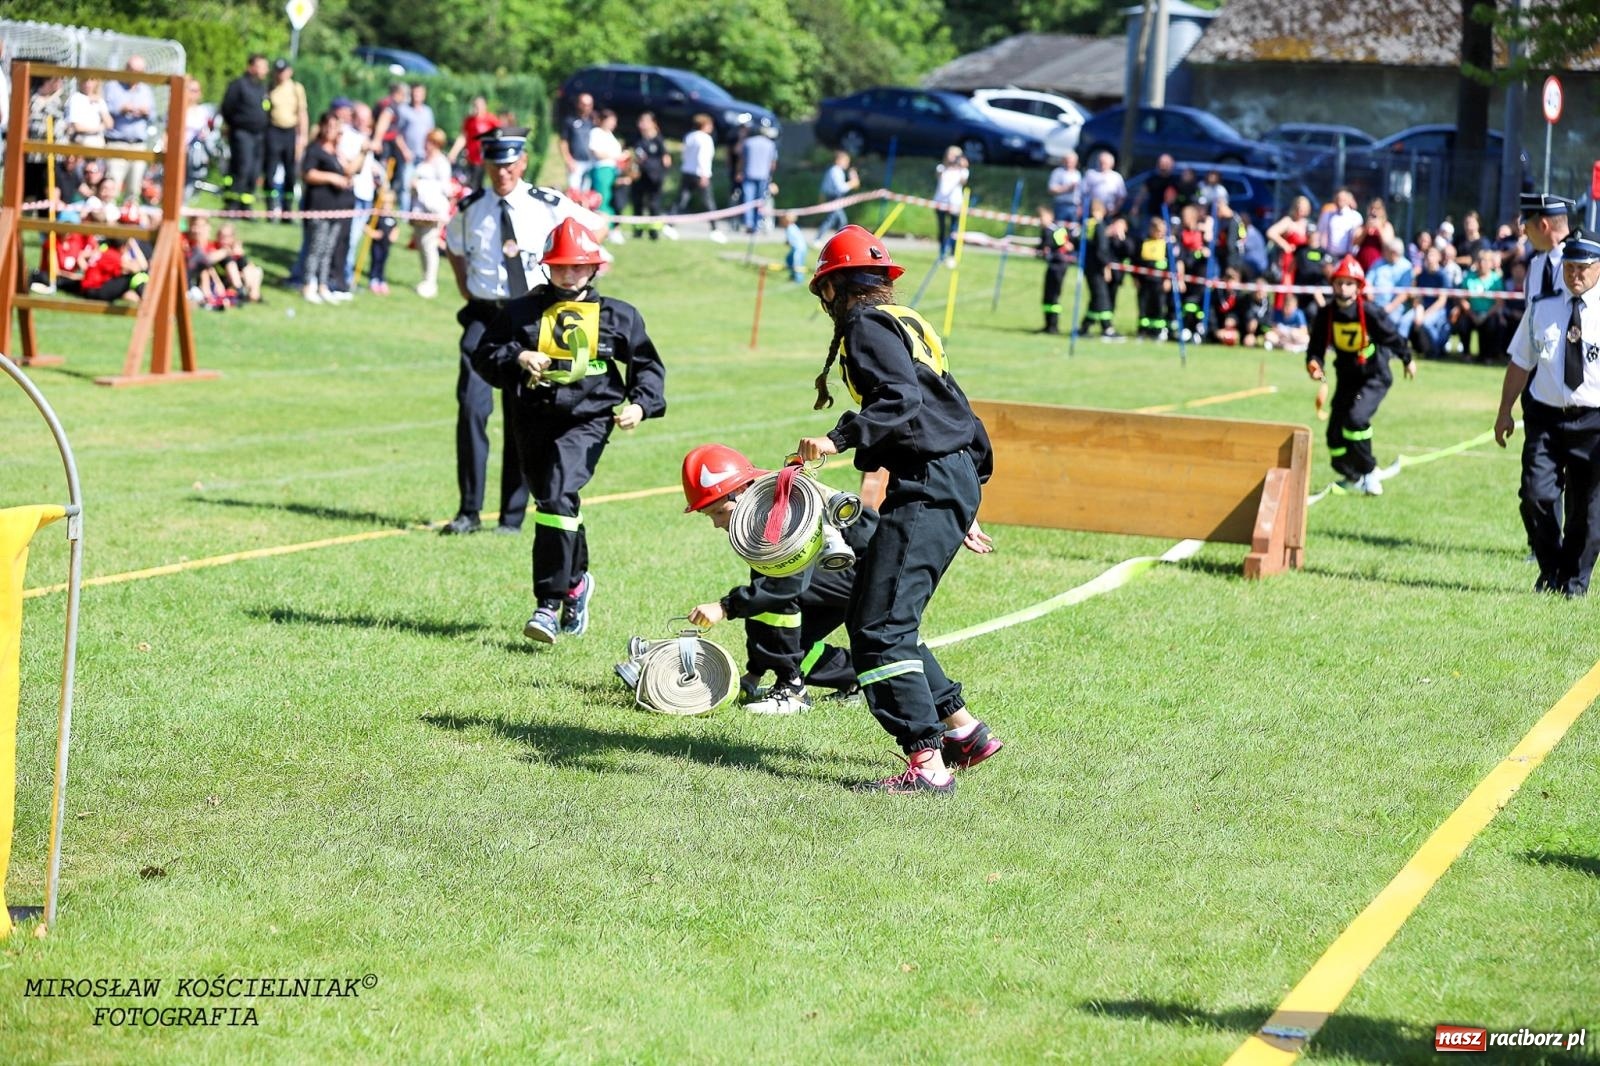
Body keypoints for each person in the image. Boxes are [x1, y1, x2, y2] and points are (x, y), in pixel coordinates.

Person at [795, 225, 1001, 794]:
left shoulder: (864, 326)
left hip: (931, 480)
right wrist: (967, 492)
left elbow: (900, 400)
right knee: (874, 606)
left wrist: (838, 438)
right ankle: (965, 734)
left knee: (880, 628)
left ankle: (926, 767)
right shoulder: (905, 321)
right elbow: (951, 405)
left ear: (832, 289)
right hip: (948, 475)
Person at [470, 218, 666, 642]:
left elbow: (647, 367)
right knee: (553, 500)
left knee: (558, 495)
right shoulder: (520, 311)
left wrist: (640, 405)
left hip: (589, 419)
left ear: (594, 267)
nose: (568, 274)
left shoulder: (620, 315)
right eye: (560, 266)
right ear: (547, 267)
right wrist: (519, 357)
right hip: (533, 416)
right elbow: (484, 355)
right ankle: (577, 583)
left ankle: (548, 603)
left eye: (577, 266)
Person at [442, 126, 604, 537]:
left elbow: (594, 228)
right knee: (472, 409)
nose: (502, 173)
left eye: (510, 164)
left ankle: (511, 517)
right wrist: (468, 289)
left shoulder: (546, 205)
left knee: (521, 415)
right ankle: (468, 511)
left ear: (523, 162)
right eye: (495, 165)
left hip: (529, 317)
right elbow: (455, 248)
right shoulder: (471, 207)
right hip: (483, 317)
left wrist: (568, 281)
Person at [680, 443, 873, 714]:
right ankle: (856, 676)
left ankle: (792, 691)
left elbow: (784, 585)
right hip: (848, 576)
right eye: (708, 515)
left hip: (872, 573)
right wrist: (754, 673)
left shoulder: (778, 509)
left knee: (774, 595)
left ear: (741, 491)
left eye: (719, 511)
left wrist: (724, 607)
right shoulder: (757, 509)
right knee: (791, 643)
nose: (716, 523)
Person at [1495, 229, 1600, 595]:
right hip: (1547, 418)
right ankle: (1551, 568)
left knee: (1587, 512)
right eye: (1569, 267)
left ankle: (1573, 581)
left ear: (1598, 267)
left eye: (1583, 268)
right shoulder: (1542, 307)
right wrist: (1505, 410)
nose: (1575, 275)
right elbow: (1520, 361)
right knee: (1536, 496)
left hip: (1594, 422)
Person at [1305, 255, 1417, 495]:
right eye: (1339, 283)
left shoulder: (1370, 312)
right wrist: (1314, 365)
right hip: (1346, 377)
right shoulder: (1326, 314)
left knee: (1356, 420)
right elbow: (1315, 349)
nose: (1343, 288)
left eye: (1349, 283)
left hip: (1374, 376)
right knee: (1334, 435)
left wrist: (1407, 359)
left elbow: (1392, 337)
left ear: (1358, 287)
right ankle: (1352, 475)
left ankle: (1370, 472)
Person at [300, 111, 354, 304]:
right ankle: (308, 284)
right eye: (329, 126)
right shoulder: (315, 149)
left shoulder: (337, 152)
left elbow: (349, 171)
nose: (331, 130)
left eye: (335, 127)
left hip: (336, 208)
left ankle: (322, 285)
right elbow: (307, 173)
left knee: (329, 249)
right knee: (316, 247)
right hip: (319, 206)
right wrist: (332, 177)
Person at [220, 55, 271, 211]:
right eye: (262, 66)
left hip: (259, 135)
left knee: (254, 171)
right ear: (251, 67)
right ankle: (233, 203)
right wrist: (234, 125)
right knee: (243, 167)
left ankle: (246, 203)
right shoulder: (238, 85)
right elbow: (227, 107)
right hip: (242, 133)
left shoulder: (262, 88)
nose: (266, 70)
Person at [104, 57, 155, 206]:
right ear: (126, 69)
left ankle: (130, 220)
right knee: (111, 185)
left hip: (138, 145)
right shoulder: (112, 86)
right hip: (117, 143)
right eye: (133, 70)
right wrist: (122, 109)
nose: (136, 74)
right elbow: (104, 110)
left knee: (134, 188)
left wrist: (146, 112)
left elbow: (153, 114)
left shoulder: (146, 90)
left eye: (140, 71)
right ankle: (107, 220)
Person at [410, 128, 453, 298]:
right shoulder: (424, 160)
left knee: (429, 244)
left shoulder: (441, 163)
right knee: (420, 243)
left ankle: (430, 282)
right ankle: (424, 278)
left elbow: (445, 188)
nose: (427, 145)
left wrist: (420, 186)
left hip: (433, 210)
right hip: (419, 209)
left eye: (430, 142)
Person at [264, 59, 308, 222]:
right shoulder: (270, 87)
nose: (280, 74)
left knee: (290, 173)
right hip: (274, 131)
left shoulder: (296, 88)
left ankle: (287, 212)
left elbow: (302, 113)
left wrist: (302, 137)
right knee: (270, 171)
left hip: (290, 132)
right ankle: (270, 208)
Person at [674, 114, 722, 241]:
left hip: (687, 171)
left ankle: (670, 223)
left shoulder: (689, 136)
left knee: (682, 199)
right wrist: (704, 174)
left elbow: (684, 154)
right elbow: (703, 157)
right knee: (708, 201)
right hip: (700, 173)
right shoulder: (705, 139)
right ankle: (714, 228)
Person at [1077, 201, 1120, 339]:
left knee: (1096, 297)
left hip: (1087, 265)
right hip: (1097, 267)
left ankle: (1085, 326)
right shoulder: (1099, 225)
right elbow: (1102, 249)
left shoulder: (1086, 225)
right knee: (1102, 297)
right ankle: (1107, 328)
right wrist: (1106, 266)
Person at [392, 83, 435, 213]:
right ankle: (404, 214)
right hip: (408, 155)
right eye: (415, 93)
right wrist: (405, 151)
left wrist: (430, 152)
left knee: (422, 185)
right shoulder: (403, 110)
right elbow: (397, 134)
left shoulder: (428, 112)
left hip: (423, 156)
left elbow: (431, 134)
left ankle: (419, 212)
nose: (417, 96)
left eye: (419, 93)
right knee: (405, 185)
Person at [628, 112, 670, 240]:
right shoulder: (635, 138)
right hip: (639, 176)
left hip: (654, 178)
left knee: (654, 205)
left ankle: (654, 232)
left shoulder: (658, 140)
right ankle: (637, 232)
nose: (642, 125)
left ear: (652, 123)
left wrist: (661, 173)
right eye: (641, 122)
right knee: (637, 204)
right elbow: (628, 152)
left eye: (645, 122)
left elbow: (666, 159)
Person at [448, 96, 501, 191]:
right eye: (475, 105)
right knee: (472, 186)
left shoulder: (491, 120)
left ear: (485, 106)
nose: (477, 108)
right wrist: (453, 152)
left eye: (479, 105)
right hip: (472, 159)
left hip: (486, 159)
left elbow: (498, 136)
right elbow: (463, 137)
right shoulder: (469, 121)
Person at [1135, 216, 1172, 340]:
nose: (1161, 233)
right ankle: (1143, 330)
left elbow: (1171, 265)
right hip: (1145, 282)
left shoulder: (1166, 245)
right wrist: (1136, 278)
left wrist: (1167, 279)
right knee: (1144, 307)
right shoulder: (1143, 242)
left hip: (1159, 282)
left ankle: (1158, 331)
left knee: (1158, 306)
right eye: (1158, 230)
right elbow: (1136, 262)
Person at [79, 237, 148, 304]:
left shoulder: (106, 252)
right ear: (122, 247)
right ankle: (146, 299)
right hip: (95, 291)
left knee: (128, 277)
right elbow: (141, 267)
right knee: (132, 276)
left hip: (88, 289)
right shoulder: (114, 256)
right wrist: (134, 245)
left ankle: (142, 300)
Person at [1037, 206, 1072, 334]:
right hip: (1053, 265)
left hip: (1058, 265)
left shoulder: (1054, 230)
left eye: (1042, 217)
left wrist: (1047, 251)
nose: (1040, 220)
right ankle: (1048, 325)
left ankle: (1053, 326)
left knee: (1053, 296)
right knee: (1048, 296)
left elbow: (1065, 246)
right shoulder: (1047, 230)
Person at [932, 147, 968, 265]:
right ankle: (941, 254)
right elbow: (939, 174)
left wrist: (962, 166)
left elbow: (963, 180)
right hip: (940, 203)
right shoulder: (942, 168)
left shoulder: (962, 171)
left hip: (954, 204)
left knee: (953, 231)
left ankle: (952, 255)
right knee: (942, 230)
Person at [739, 126, 778, 233]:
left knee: (748, 200)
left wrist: (739, 172)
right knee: (760, 201)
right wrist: (771, 176)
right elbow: (773, 163)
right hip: (763, 176)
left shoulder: (748, 142)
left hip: (749, 174)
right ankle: (757, 223)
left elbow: (742, 160)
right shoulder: (771, 144)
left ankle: (748, 223)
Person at [586, 109, 625, 219]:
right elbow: (596, 152)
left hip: (613, 169)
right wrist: (614, 156)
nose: (613, 124)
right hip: (602, 169)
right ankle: (603, 223)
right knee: (602, 197)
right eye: (611, 120)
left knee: (612, 198)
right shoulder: (596, 133)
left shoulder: (611, 135)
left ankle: (611, 224)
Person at [816, 151, 858, 239]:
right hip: (833, 198)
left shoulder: (835, 171)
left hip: (835, 198)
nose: (847, 163)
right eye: (846, 161)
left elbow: (824, 185)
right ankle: (819, 239)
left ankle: (836, 239)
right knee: (837, 221)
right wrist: (852, 183)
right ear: (838, 160)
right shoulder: (836, 171)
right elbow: (840, 188)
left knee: (836, 220)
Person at [559, 93, 596, 193]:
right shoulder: (570, 121)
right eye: (584, 104)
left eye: (589, 104)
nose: (586, 107)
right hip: (576, 162)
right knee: (574, 192)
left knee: (587, 193)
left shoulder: (593, 122)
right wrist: (568, 160)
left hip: (591, 162)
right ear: (578, 104)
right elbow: (563, 142)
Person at [365, 188, 399, 294]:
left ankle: (382, 279)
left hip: (386, 245)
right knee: (376, 260)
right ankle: (373, 279)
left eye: (389, 203)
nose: (386, 206)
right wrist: (372, 233)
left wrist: (394, 235)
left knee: (383, 261)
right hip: (376, 244)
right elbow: (366, 226)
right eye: (384, 203)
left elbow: (395, 227)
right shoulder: (376, 216)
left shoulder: (391, 217)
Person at [63, 76, 113, 146]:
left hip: (98, 140)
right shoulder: (75, 98)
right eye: (85, 80)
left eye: (92, 80)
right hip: (80, 139)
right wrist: (100, 127)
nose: (88, 84)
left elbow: (109, 124)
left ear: (96, 82)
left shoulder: (100, 100)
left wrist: (100, 104)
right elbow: (78, 127)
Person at [1317, 188, 1363, 259]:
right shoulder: (1327, 215)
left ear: (1348, 200)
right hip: (1330, 256)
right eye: (1338, 199)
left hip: (1348, 256)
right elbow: (1320, 233)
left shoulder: (1356, 217)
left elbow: (1358, 238)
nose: (1340, 201)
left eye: (1343, 199)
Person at [1080, 150, 1126, 217]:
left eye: (1105, 163)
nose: (1102, 164)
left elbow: (1122, 196)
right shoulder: (1091, 173)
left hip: (1109, 211)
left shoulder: (1117, 177)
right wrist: (1081, 206)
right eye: (1101, 162)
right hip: (1093, 210)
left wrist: (1115, 209)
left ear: (1111, 164)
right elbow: (1083, 191)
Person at [1047, 151, 1082, 224]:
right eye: (1068, 161)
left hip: (1074, 206)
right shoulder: (1057, 172)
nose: (1069, 163)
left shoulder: (1077, 174)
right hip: (1061, 205)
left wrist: (1079, 206)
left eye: (1072, 161)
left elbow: (1079, 192)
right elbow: (1051, 189)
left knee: (1073, 231)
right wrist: (1067, 188)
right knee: (1060, 231)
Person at [782, 212, 807, 283]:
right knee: (789, 259)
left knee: (797, 263)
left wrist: (787, 243)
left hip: (799, 249)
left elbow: (790, 241)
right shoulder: (792, 227)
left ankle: (798, 279)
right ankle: (792, 275)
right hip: (796, 248)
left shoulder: (790, 228)